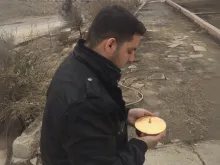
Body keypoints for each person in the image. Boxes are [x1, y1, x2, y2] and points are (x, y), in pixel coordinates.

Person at [40, 5, 166, 165]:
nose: (132, 59)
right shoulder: (85, 101)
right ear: (110, 45)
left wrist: (124, 115)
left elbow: (95, 121)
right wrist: (141, 145)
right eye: (130, 50)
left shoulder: (78, 61)